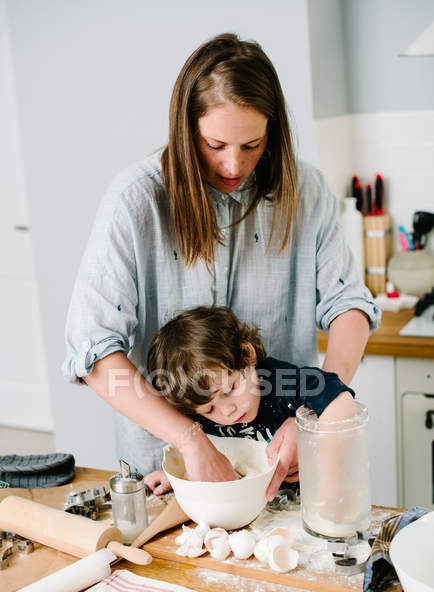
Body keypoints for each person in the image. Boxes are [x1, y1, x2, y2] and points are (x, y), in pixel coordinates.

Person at [63, 33, 380, 499]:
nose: (234, 165)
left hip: (280, 460)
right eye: (215, 144)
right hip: (171, 472)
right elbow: (92, 351)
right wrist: (189, 438)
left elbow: (349, 305)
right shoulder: (135, 201)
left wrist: (309, 420)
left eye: (252, 145)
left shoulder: (306, 191)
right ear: (186, 129)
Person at [144, 306, 356, 498]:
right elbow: (204, 459)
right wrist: (179, 478)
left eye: (231, 389)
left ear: (247, 355)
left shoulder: (280, 382)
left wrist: (316, 444)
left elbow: (339, 399)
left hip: (304, 507)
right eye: (209, 409)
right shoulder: (195, 411)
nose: (227, 410)